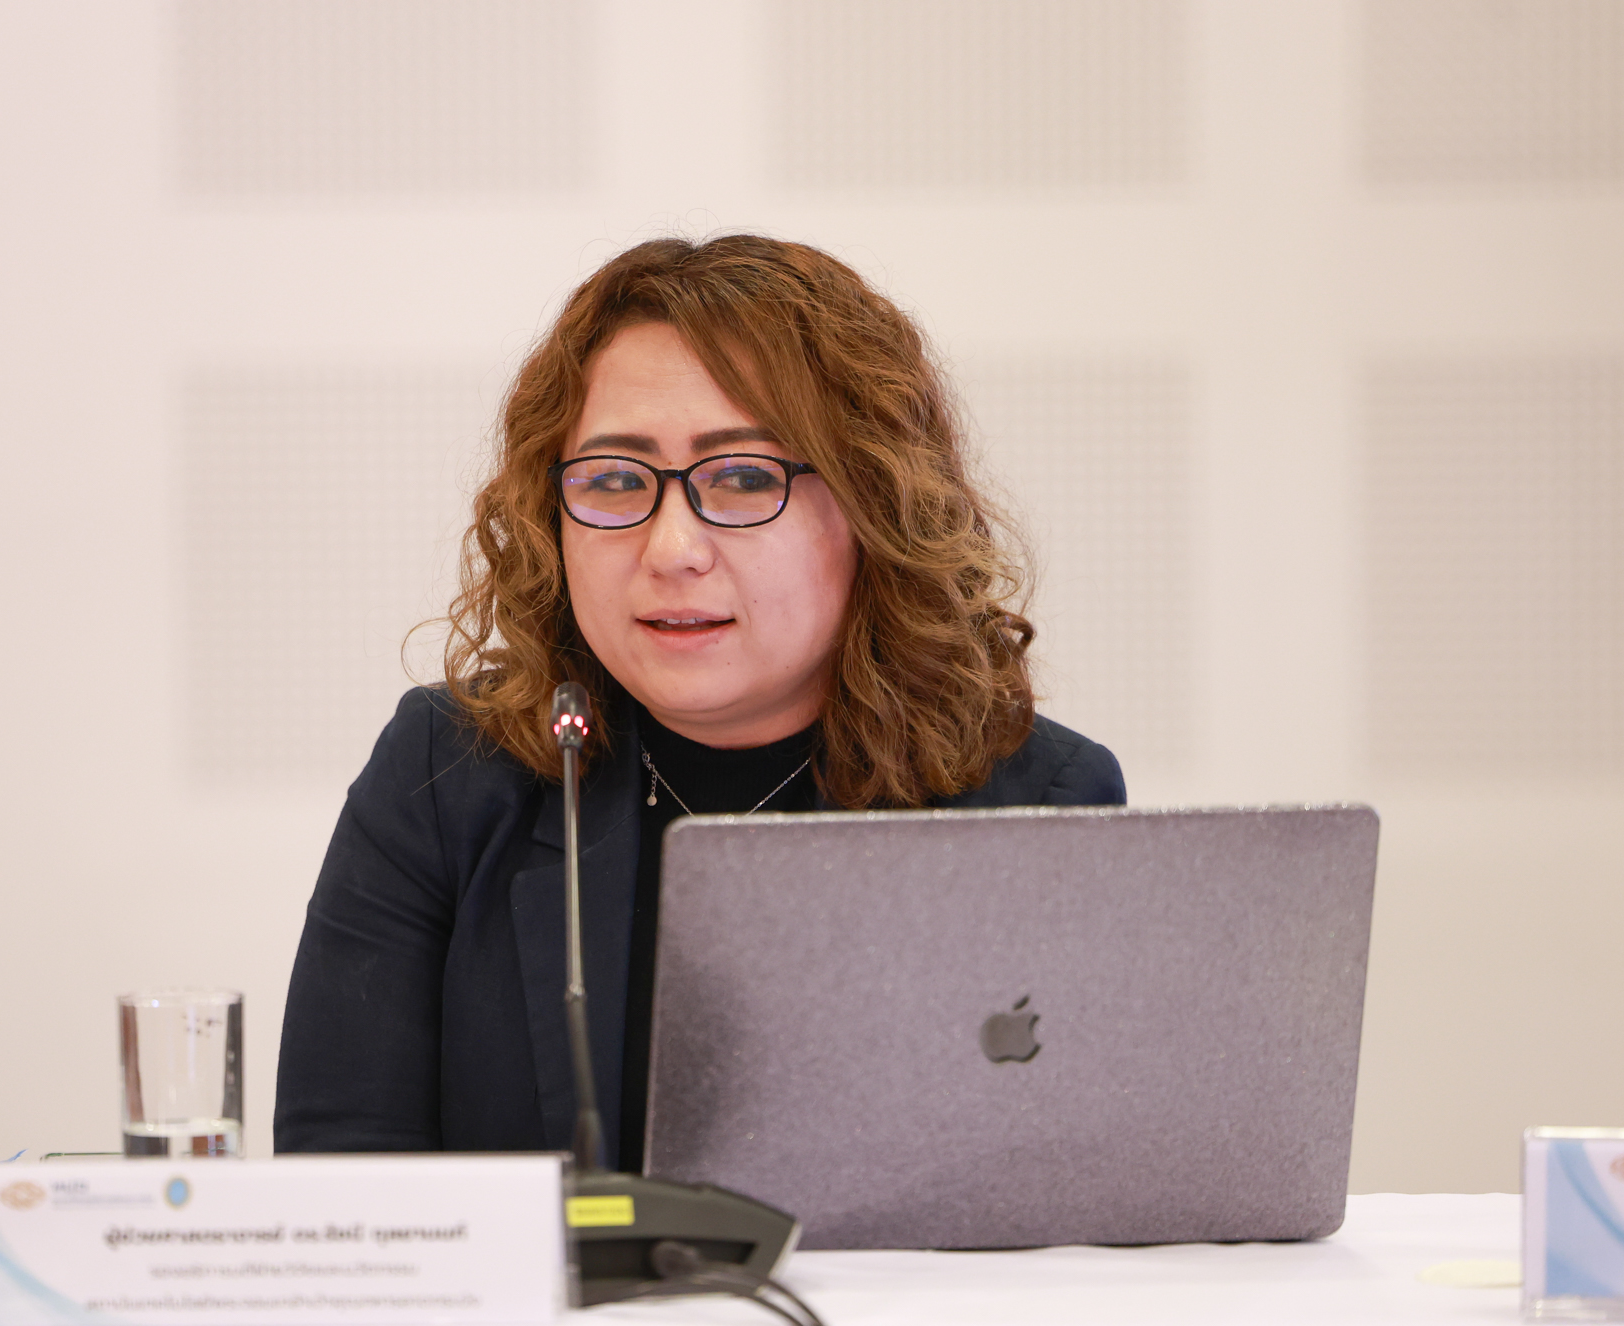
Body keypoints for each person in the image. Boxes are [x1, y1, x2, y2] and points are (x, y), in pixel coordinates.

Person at [274, 235, 1123, 1167]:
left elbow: (1066, 1199)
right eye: (613, 480)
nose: (672, 547)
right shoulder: (446, 776)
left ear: (874, 504)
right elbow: (343, 1187)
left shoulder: (1037, 799)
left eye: (745, 478)